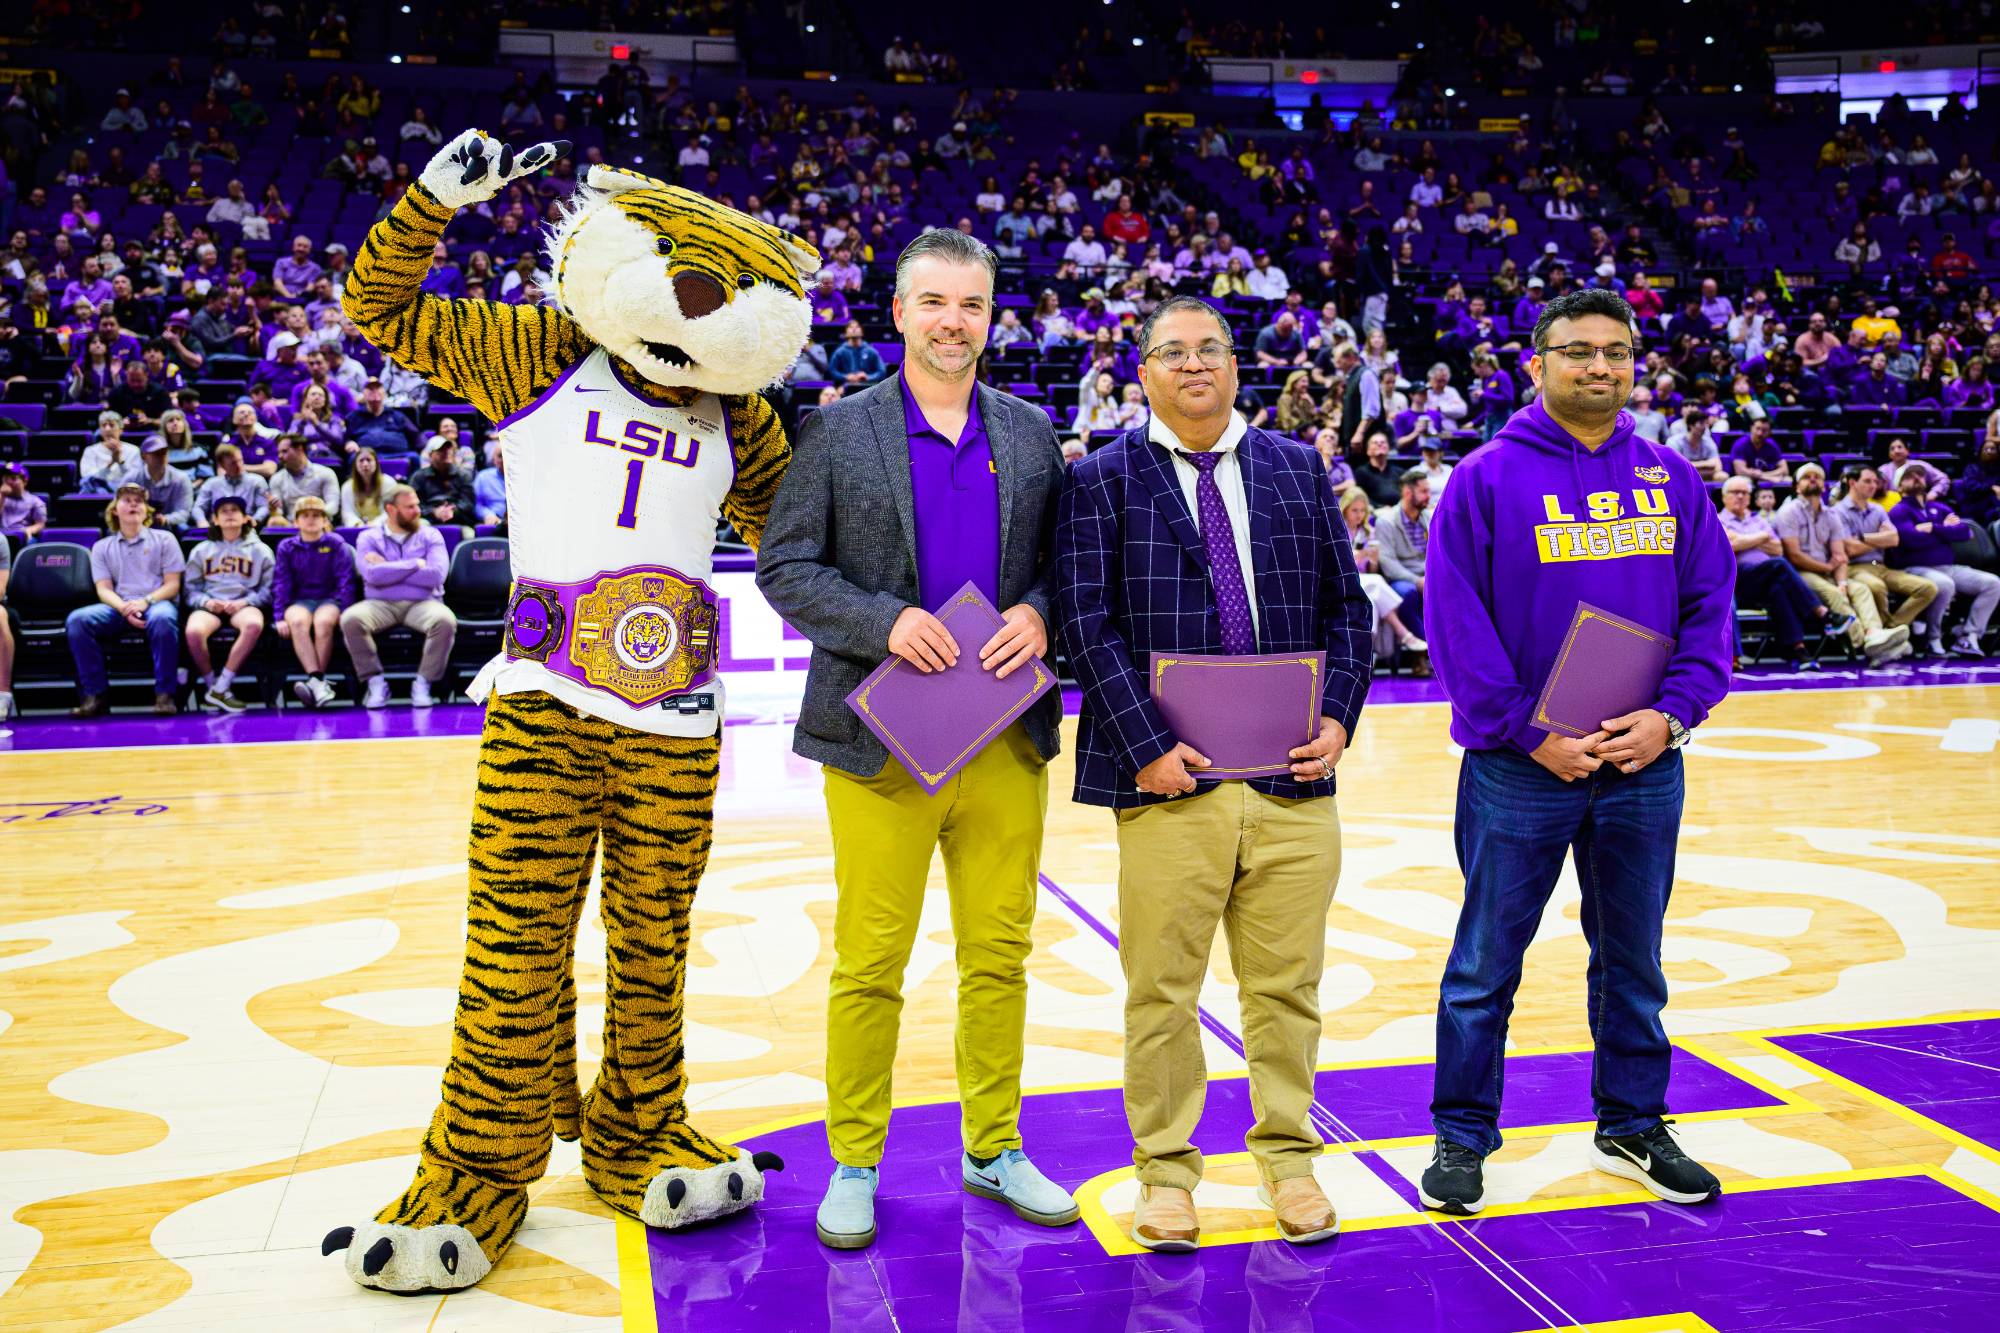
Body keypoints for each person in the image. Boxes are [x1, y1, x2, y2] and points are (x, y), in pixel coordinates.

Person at [755, 230, 1076, 1251]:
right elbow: (786, 569)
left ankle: (994, 1144)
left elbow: (1065, 567)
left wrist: (1040, 612)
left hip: (1001, 734)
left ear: (992, 317)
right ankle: (854, 1160)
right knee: (869, 961)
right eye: (933, 302)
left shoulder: (1028, 431)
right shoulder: (836, 433)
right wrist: (883, 621)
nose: (952, 322)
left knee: (999, 956)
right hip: (879, 737)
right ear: (896, 312)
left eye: (971, 306)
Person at [1053, 293, 1372, 1250]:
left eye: (1211, 350)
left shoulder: (1294, 468)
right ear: (1141, 370)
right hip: (1165, 784)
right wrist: (1144, 742)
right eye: (1172, 352)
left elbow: (1347, 610)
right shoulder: (1102, 478)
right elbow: (1083, 622)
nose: (1194, 365)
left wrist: (1339, 715)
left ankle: (1288, 1159)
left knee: (1287, 989)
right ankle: (1165, 1171)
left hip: (1292, 777)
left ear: (1237, 366)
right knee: (1162, 991)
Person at [1422, 288, 1735, 1216]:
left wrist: (1671, 719)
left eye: (1616, 351)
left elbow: (1708, 614)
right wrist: (1528, 730)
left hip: (1644, 763)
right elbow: (1455, 624)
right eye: (1578, 352)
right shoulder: (1485, 477)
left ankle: (1635, 1122)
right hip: (1523, 765)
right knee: (1486, 962)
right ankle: (1463, 1133)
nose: (1599, 367)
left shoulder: (1673, 478)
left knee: (1634, 958)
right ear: (1537, 363)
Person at [67, 483, 187, 717]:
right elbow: (103, 589)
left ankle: (165, 694)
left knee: (163, 617)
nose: (133, 504)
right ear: (114, 510)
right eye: (126, 500)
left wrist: (145, 602)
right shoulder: (102, 547)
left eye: (139, 501)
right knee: (78, 620)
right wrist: (124, 608)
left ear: (147, 511)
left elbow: (172, 585)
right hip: (118, 606)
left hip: (155, 602)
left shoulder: (165, 539)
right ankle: (95, 694)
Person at [1776, 464, 1910, 665]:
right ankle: (1864, 643)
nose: (1813, 479)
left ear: (1824, 486)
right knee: (1834, 594)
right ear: (1796, 487)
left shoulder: (1831, 515)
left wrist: (1842, 581)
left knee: (1860, 589)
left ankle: (1874, 633)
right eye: (1807, 477)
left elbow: (1840, 555)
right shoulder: (1788, 512)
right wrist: (1829, 570)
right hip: (1800, 573)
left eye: (1817, 477)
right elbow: (1794, 556)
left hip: (1828, 570)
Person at [340, 483, 457, 707]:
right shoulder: (368, 538)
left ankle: (423, 683)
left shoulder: (430, 534)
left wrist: (388, 567)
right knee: (351, 619)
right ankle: (375, 682)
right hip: (379, 603)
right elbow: (371, 576)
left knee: (445, 620)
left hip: (423, 602)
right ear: (391, 509)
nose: (417, 511)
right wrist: (415, 564)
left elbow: (436, 576)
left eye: (417, 505)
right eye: (410, 507)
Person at [1890, 466, 1998, 658]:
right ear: (1899, 485)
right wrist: (1945, 532)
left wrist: (1933, 528)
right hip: (1915, 568)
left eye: (1919, 474)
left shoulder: (1939, 507)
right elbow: (1911, 540)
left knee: (1993, 583)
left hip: (1948, 567)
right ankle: (1933, 639)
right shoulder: (1898, 511)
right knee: (1944, 584)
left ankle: (1969, 635)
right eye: (1909, 476)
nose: (1916, 478)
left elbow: (1965, 532)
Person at [182, 494, 274, 711]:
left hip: (244, 604)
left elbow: (269, 589)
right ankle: (211, 685)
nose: (230, 514)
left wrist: (245, 602)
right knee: (193, 631)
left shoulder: (260, 550)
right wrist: (207, 601)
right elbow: (190, 590)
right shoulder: (201, 550)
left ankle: (222, 687)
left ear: (245, 518)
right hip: (212, 603)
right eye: (224, 511)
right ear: (215, 519)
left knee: (253, 625)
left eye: (235, 510)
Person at [1835, 466, 1938, 648]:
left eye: (1875, 481)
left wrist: (1862, 538)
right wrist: (1880, 539)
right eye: (1867, 481)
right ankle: (1885, 637)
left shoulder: (1878, 510)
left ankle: (1890, 630)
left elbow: (1894, 539)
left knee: (1927, 588)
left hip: (1880, 565)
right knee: (1876, 586)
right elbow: (1849, 549)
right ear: (1852, 483)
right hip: (1853, 567)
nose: (1873, 485)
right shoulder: (1838, 511)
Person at [272, 495, 354, 706]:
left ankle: (315, 681)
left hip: (329, 599)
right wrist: (279, 616)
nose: (311, 520)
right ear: (296, 521)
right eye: (305, 516)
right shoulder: (286, 547)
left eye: (316, 515)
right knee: (298, 622)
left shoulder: (336, 544)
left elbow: (345, 580)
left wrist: (345, 609)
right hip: (299, 601)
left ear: (325, 521)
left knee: (323, 623)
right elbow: (281, 582)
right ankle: (319, 682)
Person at [1341, 485, 1428, 662]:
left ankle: (1366, 654)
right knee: (1377, 581)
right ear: (1345, 509)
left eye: (1362, 510)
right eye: (1354, 510)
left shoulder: (1368, 532)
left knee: (1371, 599)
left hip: (1364, 584)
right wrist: (1353, 559)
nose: (1358, 515)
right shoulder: (1338, 531)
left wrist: (1373, 560)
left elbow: (1371, 569)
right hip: (1344, 581)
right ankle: (1403, 633)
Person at [121, 434, 195, 530]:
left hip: (170, 525)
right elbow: (120, 505)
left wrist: (166, 519)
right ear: (144, 456)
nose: (161, 456)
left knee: (183, 528)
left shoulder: (181, 479)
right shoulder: (131, 478)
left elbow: (184, 512)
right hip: (136, 523)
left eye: (164, 452)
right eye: (156, 453)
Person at [267, 433, 340, 522]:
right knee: (274, 522)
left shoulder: (326, 473)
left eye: (284, 451)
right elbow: (279, 511)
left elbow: (333, 505)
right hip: (291, 526)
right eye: (278, 452)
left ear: (299, 449)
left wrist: (313, 516)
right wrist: (274, 509)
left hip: (321, 523)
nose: (280, 456)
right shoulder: (276, 479)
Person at [195, 441, 272, 526]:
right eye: (233, 463)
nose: (239, 466)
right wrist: (202, 521)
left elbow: (263, 506)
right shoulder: (211, 484)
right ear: (222, 465)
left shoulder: (257, 481)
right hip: (218, 529)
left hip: (248, 527)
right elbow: (198, 508)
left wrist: (255, 519)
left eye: (240, 460)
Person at [410, 434, 476, 529]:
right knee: (419, 526)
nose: (446, 452)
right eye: (441, 450)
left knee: (469, 536)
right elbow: (414, 504)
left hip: (459, 520)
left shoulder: (463, 475)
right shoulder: (419, 477)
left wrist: (453, 510)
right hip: (428, 520)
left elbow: (468, 503)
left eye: (448, 449)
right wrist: (434, 512)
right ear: (430, 455)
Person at [341, 446, 387, 526]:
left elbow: (389, 512)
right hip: (358, 528)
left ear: (376, 463)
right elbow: (347, 513)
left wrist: (374, 524)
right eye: (361, 461)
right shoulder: (347, 486)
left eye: (369, 460)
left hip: (383, 527)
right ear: (355, 464)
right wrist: (358, 524)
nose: (365, 464)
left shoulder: (388, 482)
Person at [1, 464, 47, 538]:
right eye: (6, 478)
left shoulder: (35, 501)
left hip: (21, 536)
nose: (8, 482)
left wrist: (30, 530)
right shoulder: (1, 498)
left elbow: (40, 524)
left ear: (25, 481)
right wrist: (2, 496)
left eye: (13, 478)